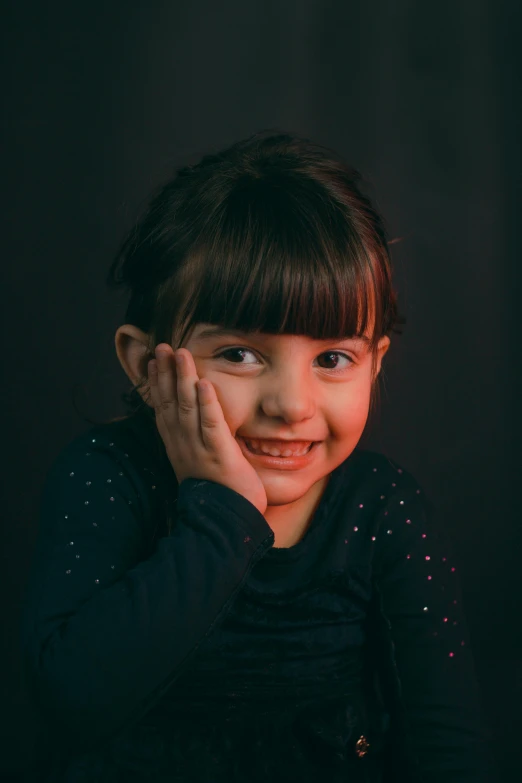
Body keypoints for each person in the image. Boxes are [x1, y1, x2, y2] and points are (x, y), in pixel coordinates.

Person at [19, 130, 495, 782]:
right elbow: (72, 702)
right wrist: (221, 515)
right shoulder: (108, 477)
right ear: (143, 364)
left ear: (375, 362)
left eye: (332, 359)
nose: (291, 404)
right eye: (240, 354)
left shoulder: (383, 510)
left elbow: (449, 745)